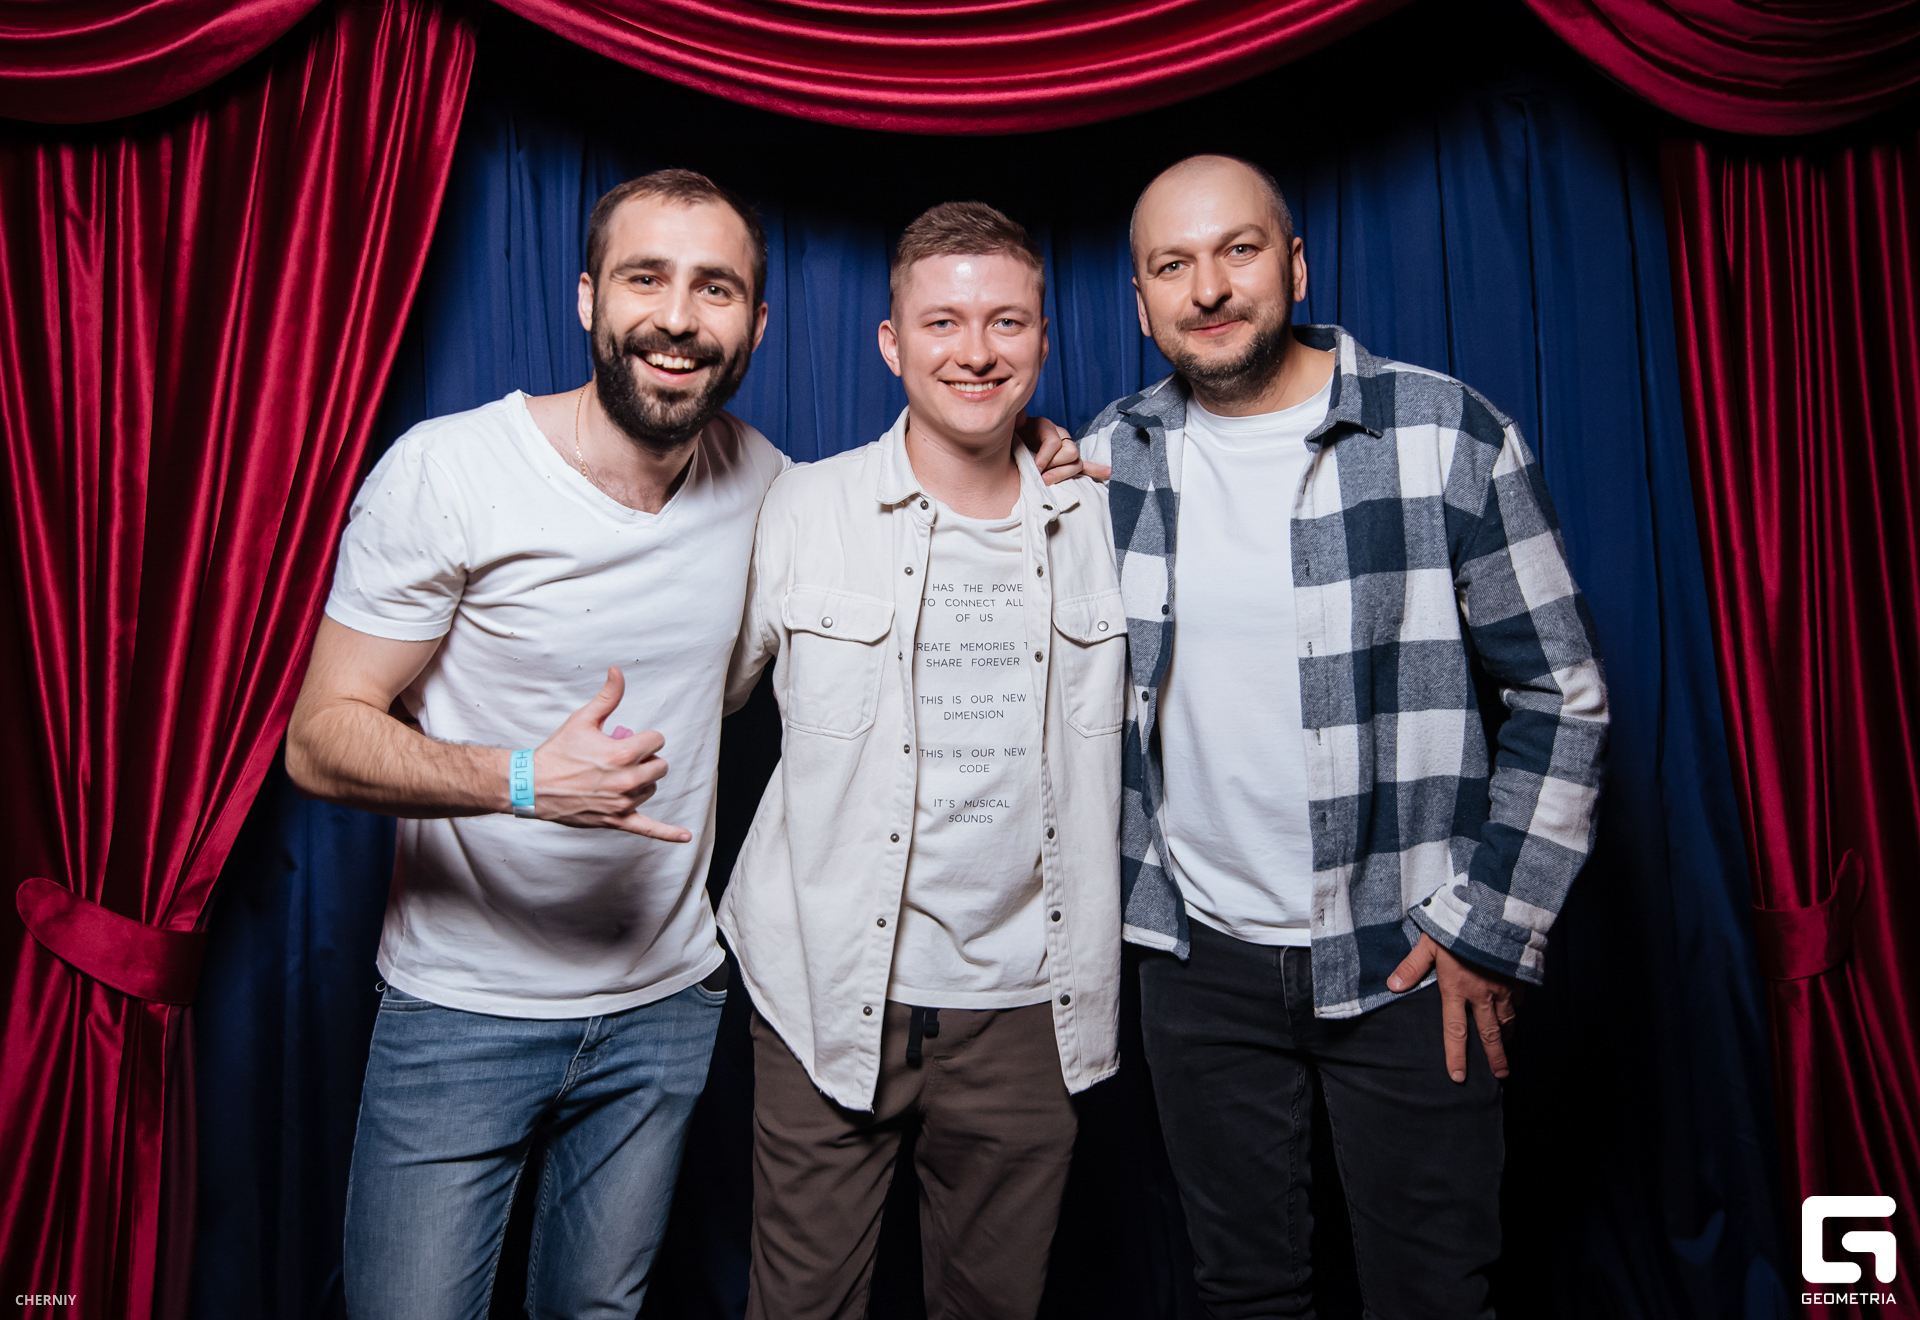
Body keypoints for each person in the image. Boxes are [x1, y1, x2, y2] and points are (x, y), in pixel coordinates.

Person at [287, 169, 1088, 1320]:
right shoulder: (449, 471)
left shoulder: (769, 488)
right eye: (645, 279)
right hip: (461, 1008)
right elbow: (320, 739)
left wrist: (1027, 447)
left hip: (665, 1008)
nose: (676, 317)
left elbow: (932, 490)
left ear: (756, 323)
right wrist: (521, 780)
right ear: (587, 299)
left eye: (714, 289)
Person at [1075, 155, 1610, 1319]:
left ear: (1297, 264)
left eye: (1239, 250)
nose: (1209, 288)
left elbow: (1560, 695)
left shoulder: (1446, 432)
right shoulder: (1113, 454)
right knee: (1244, 1296)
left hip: (1409, 953)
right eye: (1173, 265)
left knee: (1434, 1295)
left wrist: (1488, 930)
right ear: (1142, 301)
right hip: (1197, 961)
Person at [719, 201, 1127, 1320]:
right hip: (822, 990)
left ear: (1043, 338)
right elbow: (699, 700)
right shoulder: (800, 506)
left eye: (1007, 321)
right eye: (942, 322)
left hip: (1030, 1005)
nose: (976, 351)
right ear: (891, 343)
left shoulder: (1106, 519)